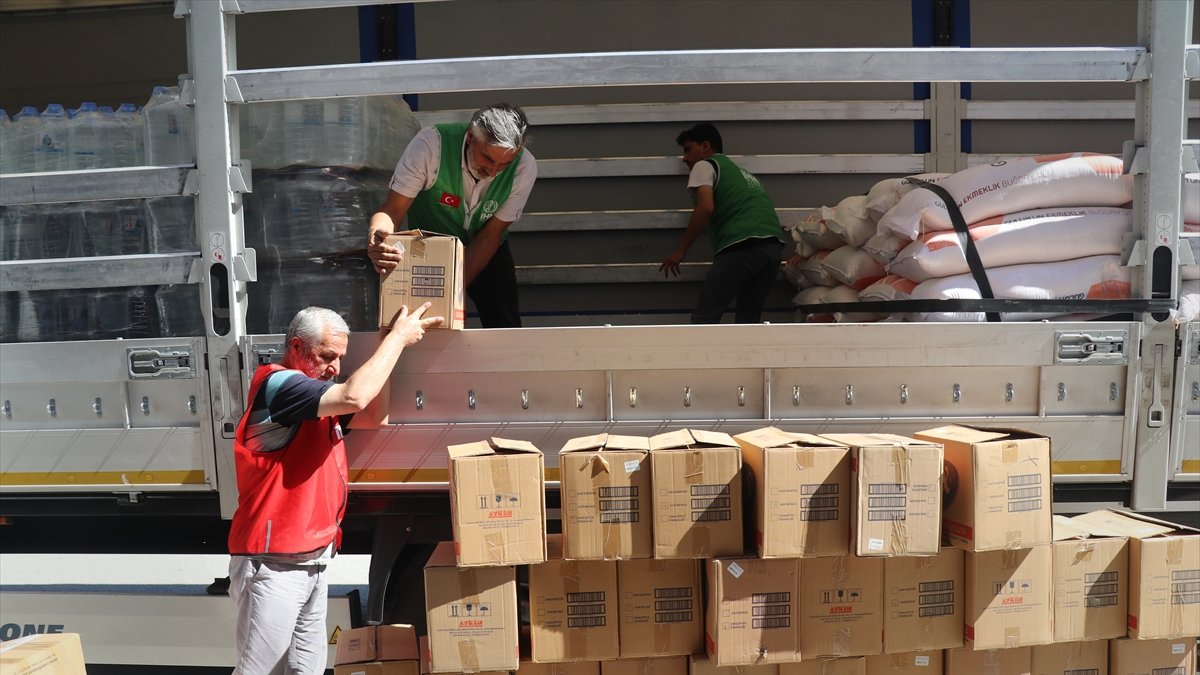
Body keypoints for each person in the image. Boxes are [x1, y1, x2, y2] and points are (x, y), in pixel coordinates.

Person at [227, 303, 442, 675]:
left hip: (311, 560)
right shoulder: (280, 386)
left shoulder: (313, 398)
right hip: (275, 565)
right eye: (326, 356)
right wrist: (397, 340)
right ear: (296, 347)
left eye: (340, 358)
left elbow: (373, 413)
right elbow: (355, 397)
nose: (335, 368)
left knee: (306, 670)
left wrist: (385, 343)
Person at [367, 103, 536, 328]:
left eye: (505, 163)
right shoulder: (431, 145)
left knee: (503, 320)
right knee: (424, 321)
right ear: (469, 137)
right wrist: (379, 238)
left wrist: (455, 288)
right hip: (429, 246)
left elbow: (491, 235)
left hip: (486, 243)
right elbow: (392, 209)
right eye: (487, 158)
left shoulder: (525, 166)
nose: (494, 170)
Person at [660, 122, 786, 324]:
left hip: (741, 246)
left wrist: (680, 251)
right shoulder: (743, 173)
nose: (685, 158)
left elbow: (705, 208)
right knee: (748, 321)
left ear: (705, 146)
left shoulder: (705, 165)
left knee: (704, 319)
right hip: (772, 249)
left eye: (688, 150)